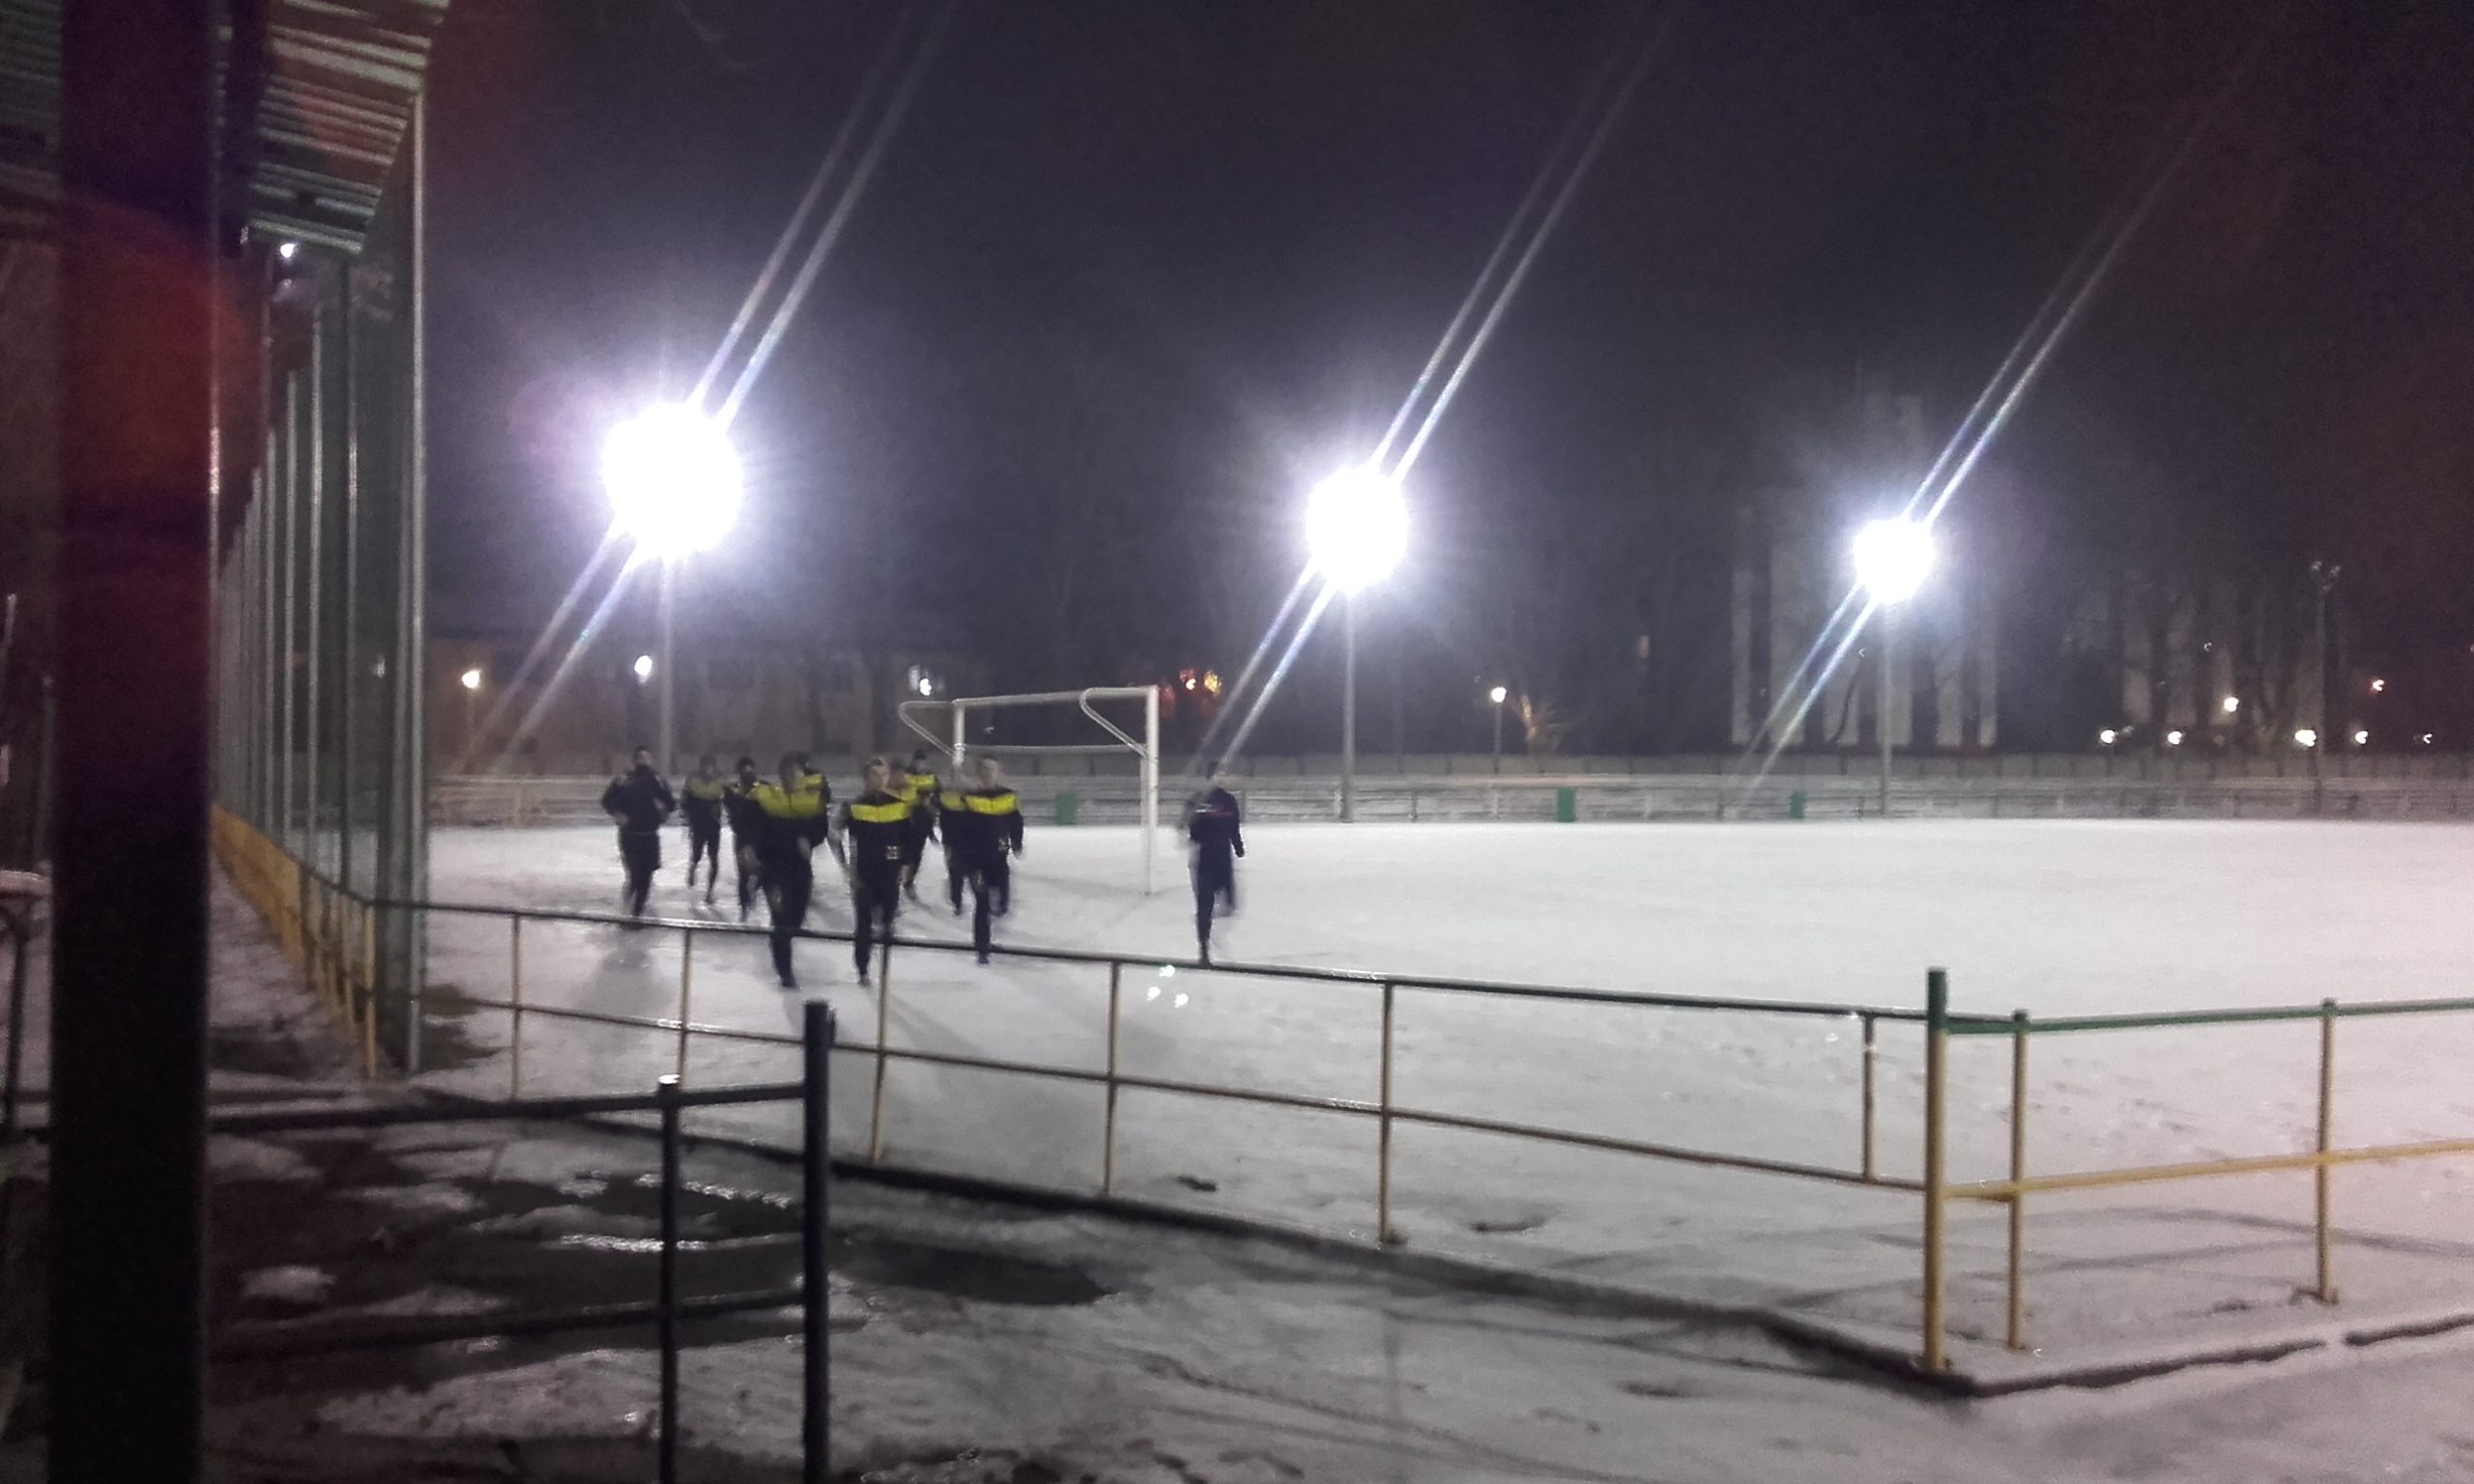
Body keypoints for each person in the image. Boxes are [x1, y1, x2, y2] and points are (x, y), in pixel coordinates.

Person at [749, 751, 832, 988]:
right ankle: (785, 971)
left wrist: (809, 839)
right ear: (784, 776)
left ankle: (780, 938)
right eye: (793, 774)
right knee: (781, 919)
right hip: (773, 870)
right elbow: (751, 825)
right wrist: (750, 849)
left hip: (799, 868)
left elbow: (821, 827)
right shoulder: (768, 799)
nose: (798, 778)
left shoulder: (811, 801)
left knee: (796, 918)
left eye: (800, 773)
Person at [837, 757, 910, 986]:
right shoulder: (854, 807)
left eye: (884, 775)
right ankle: (863, 969)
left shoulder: (900, 806)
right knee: (864, 924)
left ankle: (885, 969)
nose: (880, 780)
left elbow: (909, 839)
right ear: (865, 778)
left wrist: (905, 866)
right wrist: (847, 868)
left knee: (888, 925)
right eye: (875, 775)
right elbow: (834, 835)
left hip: (890, 875)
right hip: (864, 876)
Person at [952, 756, 1023, 965]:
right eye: (984, 769)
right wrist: (964, 861)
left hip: (999, 860)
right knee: (982, 903)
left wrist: (1017, 842)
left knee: (1003, 903)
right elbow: (960, 830)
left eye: (992, 769)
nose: (988, 773)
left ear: (999, 772)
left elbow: (1016, 821)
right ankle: (982, 947)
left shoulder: (1008, 796)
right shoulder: (969, 798)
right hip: (976, 862)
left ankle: (991, 929)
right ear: (979, 773)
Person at [600, 746, 676, 920]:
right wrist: (618, 814)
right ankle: (629, 903)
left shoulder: (657, 781)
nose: (645, 761)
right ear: (635, 761)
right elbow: (606, 800)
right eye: (641, 758)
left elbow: (671, 803)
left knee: (647, 875)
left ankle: (637, 913)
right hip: (630, 835)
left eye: (647, 758)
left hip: (650, 834)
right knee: (635, 874)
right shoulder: (625, 780)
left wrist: (663, 808)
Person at [1186, 774, 1244, 965]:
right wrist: (1238, 846)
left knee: (1206, 905)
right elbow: (1234, 827)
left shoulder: (1198, 800)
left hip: (1205, 855)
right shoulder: (1228, 800)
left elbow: (1192, 829)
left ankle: (1204, 945)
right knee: (1226, 902)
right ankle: (1206, 943)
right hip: (1220, 855)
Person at [679, 752, 727, 904]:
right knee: (697, 855)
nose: (708, 769)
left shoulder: (719, 781)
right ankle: (693, 868)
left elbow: (725, 799)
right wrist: (689, 813)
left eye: (710, 766)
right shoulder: (692, 781)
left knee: (714, 858)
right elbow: (684, 801)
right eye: (706, 765)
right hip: (698, 824)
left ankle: (710, 892)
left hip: (713, 825)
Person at [721, 755, 764, 920]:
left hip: (759, 836)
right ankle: (744, 907)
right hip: (742, 836)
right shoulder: (733, 790)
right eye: (745, 771)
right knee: (743, 874)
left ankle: (751, 895)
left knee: (760, 870)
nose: (749, 773)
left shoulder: (763, 787)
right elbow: (730, 808)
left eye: (751, 770)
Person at [895, 748, 941, 902]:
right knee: (902, 851)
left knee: (916, 853)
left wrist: (931, 802)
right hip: (905, 818)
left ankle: (909, 881)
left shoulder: (931, 776)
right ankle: (897, 880)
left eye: (921, 762)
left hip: (923, 819)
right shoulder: (905, 774)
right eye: (917, 761)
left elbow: (939, 796)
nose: (919, 764)